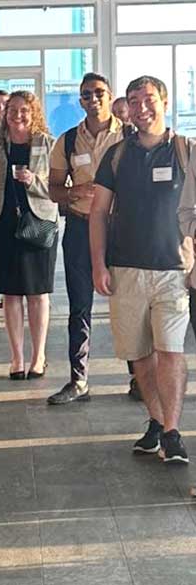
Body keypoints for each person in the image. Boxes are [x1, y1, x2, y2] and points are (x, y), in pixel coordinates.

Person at [95, 75, 191, 463]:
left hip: (174, 270)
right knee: (139, 355)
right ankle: (155, 421)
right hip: (126, 270)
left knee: (170, 351)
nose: (141, 107)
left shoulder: (187, 151)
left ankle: (171, 430)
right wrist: (99, 264)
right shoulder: (116, 155)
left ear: (164, 102)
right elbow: (98, 212)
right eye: (133, 101)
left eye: (148, 99)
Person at [46, 73, 126, 405]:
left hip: (122, 229)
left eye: (98, 93)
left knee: (128, 305)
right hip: (79, 227)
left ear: (110, 96)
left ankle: (139, 377)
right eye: (86, 95)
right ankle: (79, 380)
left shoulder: (129, 137)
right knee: (80, 306)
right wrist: (74, 191)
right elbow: (52, 190)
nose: (92, 99)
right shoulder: (66, 142)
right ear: (80, 101)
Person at [0, 91, 58, 381]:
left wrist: (33, 181)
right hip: (3, 224)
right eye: (13, 110)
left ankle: (39, 357)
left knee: (37, 293)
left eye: (24, 110)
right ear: (4, 113)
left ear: (34, 113)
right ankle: (17, 358)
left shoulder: (48, 144)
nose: (18, 115)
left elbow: (60, 187)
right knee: (10, 293)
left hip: (39, 224)